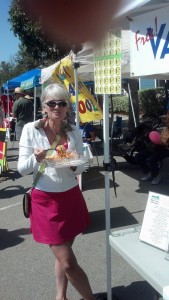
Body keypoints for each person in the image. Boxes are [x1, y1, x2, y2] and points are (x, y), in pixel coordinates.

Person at [17, 83, 95, 300]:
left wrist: (72, 163)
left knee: (65, 252)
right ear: (44, 106)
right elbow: (22, 169)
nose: (57, 107)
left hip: (71, 197)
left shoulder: (73, 131)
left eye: (62, 103)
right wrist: (37, 158)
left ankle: (60, 296)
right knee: (69, 262)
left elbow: (81, 166)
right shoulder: (31, 130)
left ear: (67, 108)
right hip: (45, 200)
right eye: (52, 103)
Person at [135, 115, 169, 185]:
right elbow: (160, 138)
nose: (167, 121)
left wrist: (163, 144)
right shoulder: (165, 129)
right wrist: (156, 141)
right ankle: (149, 173)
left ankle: (157, 176)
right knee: (139, 156)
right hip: (159, 147)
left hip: (166, 150)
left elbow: (166, 144)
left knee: (151, 160)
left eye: (168, 120)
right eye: (166, 120)